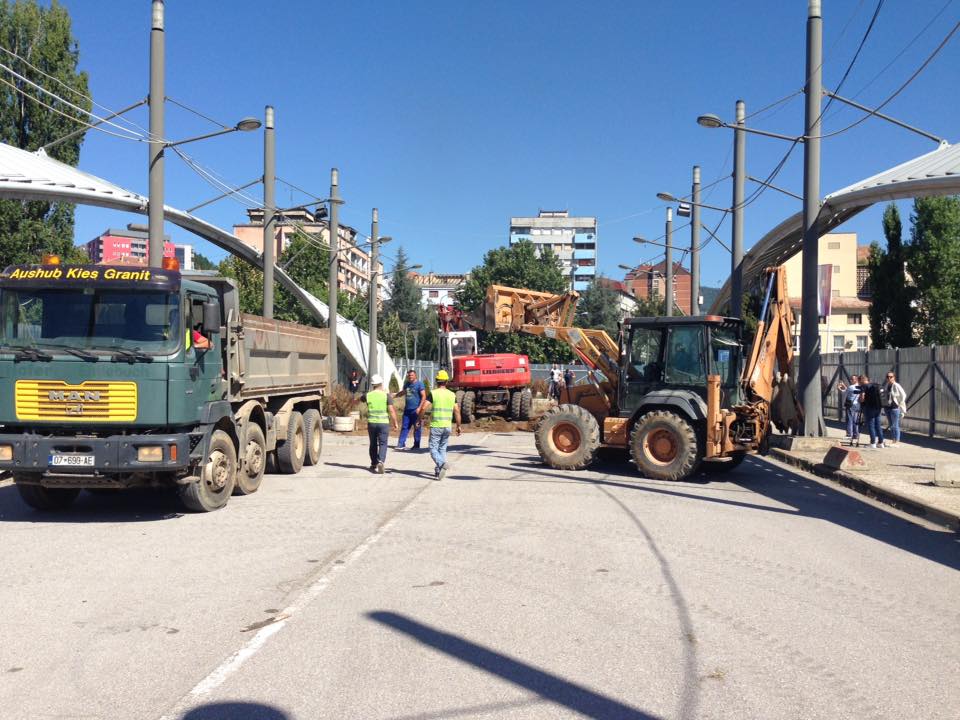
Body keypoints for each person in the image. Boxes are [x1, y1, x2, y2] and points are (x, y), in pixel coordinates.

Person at [422, 369, 461, 480]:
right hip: (447, 426)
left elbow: (424, 407)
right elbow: (457, 411)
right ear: (447, 381)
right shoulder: (452, 395)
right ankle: (439, 471)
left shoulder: (434, 393)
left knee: (433, 448)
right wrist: (458, 425)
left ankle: (441, 463)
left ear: (436, 381)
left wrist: (419, 419)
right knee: (442, 449)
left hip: (436, 426)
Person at [365, 374, 398, 474]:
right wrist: (395, 422)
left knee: (373, 443)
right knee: (383, 443)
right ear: (381, 384)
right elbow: (391, 410)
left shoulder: (368, 395)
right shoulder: (386, 395)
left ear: (372, 384)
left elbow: (361, 401)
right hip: (383, 423)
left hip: (372, 423)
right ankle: (381, 461)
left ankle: (373, 463)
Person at [395, 369, 427, 450]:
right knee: (405, 427)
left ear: (415, 375)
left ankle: (416, 445)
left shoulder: (420, 384)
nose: (410, 377)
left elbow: (424, 396)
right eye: (409, 375)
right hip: (407, 410)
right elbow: (404, 392)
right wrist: (396, 395)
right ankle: (401, 444)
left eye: (412, 375)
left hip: (416, 410)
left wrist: (419, 408)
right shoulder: (407, 384)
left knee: (417, 427)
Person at [881, 371, 907, 447]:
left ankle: (897, 441)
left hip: (894, 408)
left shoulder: (896, 385)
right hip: (888, 407)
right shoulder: (887, 385)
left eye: (891, 377)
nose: (889, 378)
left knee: (895, 425)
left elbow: (903, 395)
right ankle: (893, 440)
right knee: (891, 424)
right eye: (888, 377)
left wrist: (898, 403)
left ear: (894, 377)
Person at [858, 373, 885, 449]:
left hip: (869, 408)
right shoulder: (875, 385)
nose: (859, 383)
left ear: (862, 380)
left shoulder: (864, 386)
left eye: (859, 381)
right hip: (878, 407)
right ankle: (880, 442)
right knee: (878, 425)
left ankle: (872, 443)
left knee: (871, 425)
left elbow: (862, 398)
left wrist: (860, 400)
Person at [837, 374, 862, 444]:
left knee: (849, 419)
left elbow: (845, 393)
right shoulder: (860, 387)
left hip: (850, 405)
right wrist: (844, 386)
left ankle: (849, 434)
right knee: (855, 420)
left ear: (856, 379)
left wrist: (839, 388)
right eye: (851, 379)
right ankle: (855, 434)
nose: (851, 380)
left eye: (852, 379)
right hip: (857, 405)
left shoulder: (851, 387)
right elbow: (849, 390)